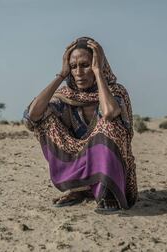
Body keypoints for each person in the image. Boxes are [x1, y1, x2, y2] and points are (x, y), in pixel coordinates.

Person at [23, 37, 137, 211]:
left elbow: (110, 112)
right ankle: (78, 188)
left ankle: (108, 191)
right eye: (73, 66)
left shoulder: (115, 91)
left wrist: (98, 72)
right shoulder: (66, 95)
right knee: (45, 121)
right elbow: (32, 116)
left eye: (85, 65)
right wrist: (61, 75)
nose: (79, 72)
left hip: (111, 167)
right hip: (78, 154)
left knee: (109, 124)